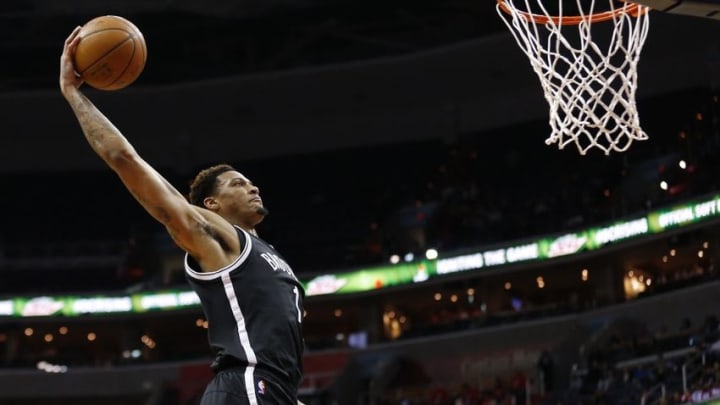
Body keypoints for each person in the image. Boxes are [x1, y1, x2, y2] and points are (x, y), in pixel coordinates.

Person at [59, 27, 306, 405]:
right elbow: (125, 160)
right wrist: (74, 95)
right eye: (238, 184)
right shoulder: (217, 239)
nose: (253, 187)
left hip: (275, 389)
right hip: (247, 382)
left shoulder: (266, 250)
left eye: (251, 182)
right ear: (212, 205)